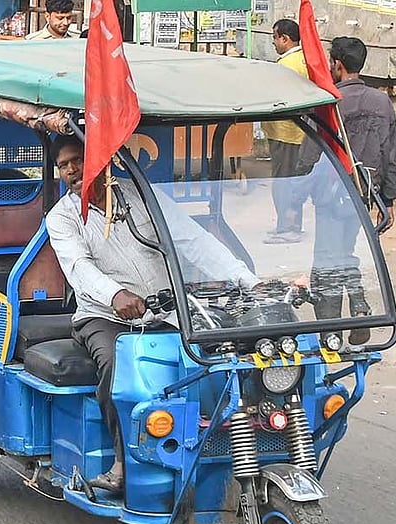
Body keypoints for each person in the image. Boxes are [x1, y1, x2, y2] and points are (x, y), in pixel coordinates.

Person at [45, 136, 260, 493]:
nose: (71, 170)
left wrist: (247, 280)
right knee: (118, 366)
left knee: (222, 355)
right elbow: (79, 268)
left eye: (78, 160)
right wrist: (115, 295)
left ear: (99, 158)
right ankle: (122, 463)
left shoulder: (141, 195)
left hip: (168, 311)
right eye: (63, 165)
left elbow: (193, 240)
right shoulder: (62, 218)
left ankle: (223, 444)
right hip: (104, 317)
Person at [300, 36, 396, 344]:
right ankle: (359, 306)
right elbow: (390, 154)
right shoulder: (382, 102)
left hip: (330, 194)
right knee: (346, 250)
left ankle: (331, 329)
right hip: (364, 193)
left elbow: (308, 155)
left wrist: (296, 193)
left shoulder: (327, 102)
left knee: (327, 260)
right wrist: (388, 199)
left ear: (337, 65)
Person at [263, 18, 310, 244]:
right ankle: (288, 224)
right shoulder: (301, 59)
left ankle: (288, 228)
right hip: (294, 132)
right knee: (290, 181)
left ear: (285, 38)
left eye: (275, 37)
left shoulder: (288, 64)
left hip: (286, 132)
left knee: (284, 183)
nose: (273, 42)